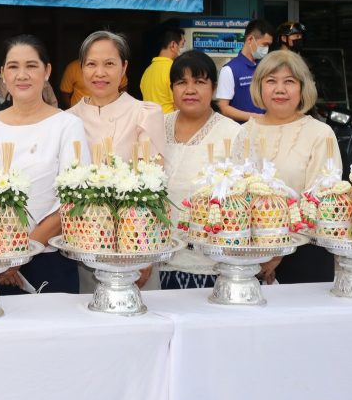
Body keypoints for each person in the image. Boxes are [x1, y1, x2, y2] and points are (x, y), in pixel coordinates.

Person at [0, 35, 90, 294]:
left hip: (49, 258)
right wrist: (2, 259)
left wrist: (20, 255)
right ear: (2, 73)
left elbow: (73, 200)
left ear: (47, 71)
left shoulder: (67, 125)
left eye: (31, 66)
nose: (22, 75)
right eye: (13, 67)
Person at [69, 31, 165, 291]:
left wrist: (143, 252)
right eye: (91, 64)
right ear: (81, 68)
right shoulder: (67, 120)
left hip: (136, 247)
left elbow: (152, 186)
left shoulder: (145, 113)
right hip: (84, 244)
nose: (100, 73)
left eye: (109, 63)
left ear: (124, 68)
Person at [234, 50, 341, 285]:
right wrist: (260, 254)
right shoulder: (245, 132)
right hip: (251, 254)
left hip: (306, 251)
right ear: (259, 86)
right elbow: (235, 193)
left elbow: (321, 200)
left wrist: (277, 254)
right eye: (271, 81)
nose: (280, 89)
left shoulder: (320, 134)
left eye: (289, 82)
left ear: (302, 88)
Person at [159, 51, 241, 289]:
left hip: (208, 265)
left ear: (213, 88)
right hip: (154, 259)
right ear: (171, 89)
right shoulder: (156, 126)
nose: (190, 90)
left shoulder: (233, 133)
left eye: (199, 82)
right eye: (181, 82)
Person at [216, 19, 274, 123]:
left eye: (268, 45)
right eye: (264, 44)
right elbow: (223, 108)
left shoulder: (265, 67)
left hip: (265, 128)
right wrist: (255, 117)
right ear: (250, 39)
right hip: (241, 129)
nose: (266, 49)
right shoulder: (229, 69)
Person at [139, 26, 185, 114]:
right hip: (168, 120)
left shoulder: (147, 71)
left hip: (149, 120)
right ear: (173, 45)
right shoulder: (174, 69)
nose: (184, 48)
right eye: (182, 44)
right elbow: (178, 105)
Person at [58, 57, 128, 109]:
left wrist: (119, 106)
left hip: (109, 113)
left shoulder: (115, 67)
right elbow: (65, 93)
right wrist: (73, 111)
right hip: (81, 115)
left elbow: (123, 86)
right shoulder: (73, 67)